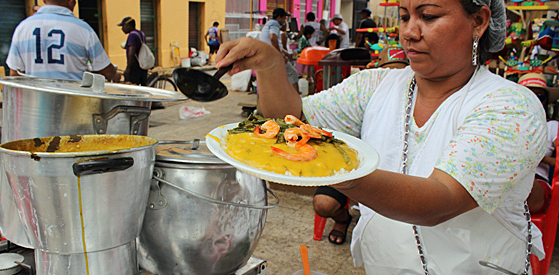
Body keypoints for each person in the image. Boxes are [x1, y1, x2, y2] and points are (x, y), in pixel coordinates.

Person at [216, 0, 548, 273]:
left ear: (478, 21)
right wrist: (271, 64)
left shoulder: (511, 107)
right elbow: (292, 126)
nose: (409, 32)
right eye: (405, 17)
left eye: (428, 16)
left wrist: (332, 171)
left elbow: (439, 201)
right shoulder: (375, 87)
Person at [6, 0, 119, 81]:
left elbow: (15, 74)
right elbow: (105, 70)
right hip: (73, 104)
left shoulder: (23, 27)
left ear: (44, 0)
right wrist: (114, 75)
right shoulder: (83, 29)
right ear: (71, 2)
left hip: (36, 106)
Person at [521, 73, 557, 214]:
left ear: (545, 101)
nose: (534, 100)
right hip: (502, 182)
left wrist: (539, 158)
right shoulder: (502, 125)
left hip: (536, 184)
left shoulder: (552, 126)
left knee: (521, 184)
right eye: (529, 95)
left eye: (539, 97)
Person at [259, 8, 299, 94]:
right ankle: (296, 98)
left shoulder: (269, 23)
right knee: (293, 73)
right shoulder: (275, 23)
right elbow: (273, 38)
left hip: (267, 54)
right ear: (279, 17)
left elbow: (276, 44)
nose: (284, 21)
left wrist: (287, 54)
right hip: (271, 55)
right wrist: (280, 56)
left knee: (281, 76)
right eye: (284, 18)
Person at [119, 17, 148, 86]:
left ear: (128, 26)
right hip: (142, 66)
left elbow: (131, 52)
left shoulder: (132, 35)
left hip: (134, 67)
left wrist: (128, 68)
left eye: (123, 26)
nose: (122, 29)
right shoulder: (141, 33)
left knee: (131, 88)